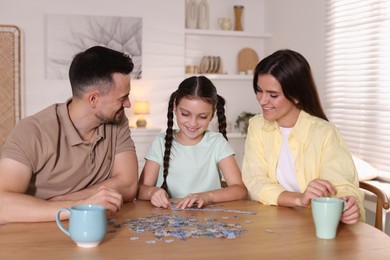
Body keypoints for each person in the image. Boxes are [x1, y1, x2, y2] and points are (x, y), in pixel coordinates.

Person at [0, 46, 138, 224]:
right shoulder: (32, 131)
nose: (128, 104)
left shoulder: (116, 120)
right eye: (122, 98)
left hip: (95, 228)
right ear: (93, 99)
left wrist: (62, 202)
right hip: (38, 233)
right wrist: (81, 205)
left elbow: (128, 186)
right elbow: (3, 204)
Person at [242, 49, 364, 224]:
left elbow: (342, 186)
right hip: (268, 224)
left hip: (313, 226)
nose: (262, 100)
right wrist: (299, 198)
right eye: (259, 90)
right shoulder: (257, 126)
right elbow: (255, 181)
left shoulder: (325, 133)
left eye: (273, 95)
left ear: (296, 95)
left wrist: (349, 206)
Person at [137, 76, 247, 209]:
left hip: (210, 220)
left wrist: (207, 196)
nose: (193, 123)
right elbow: (140, 190)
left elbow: (240, 190)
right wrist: (152, 192)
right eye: (185, 114)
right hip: (170, 219)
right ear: (175, 107)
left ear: (212, 115)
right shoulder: (161, 141)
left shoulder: (217, 143)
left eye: (202, 117)